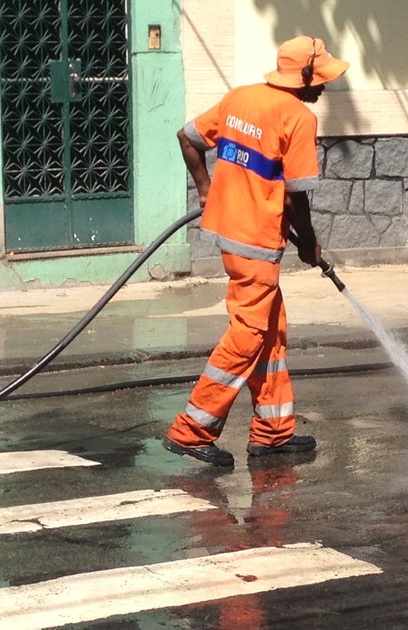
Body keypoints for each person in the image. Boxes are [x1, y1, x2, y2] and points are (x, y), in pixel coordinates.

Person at [162, 36, 350, 466]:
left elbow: (187, 138)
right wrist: (311, 243)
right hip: (256, 244)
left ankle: (272, 432)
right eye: (319, 77)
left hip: (231, 233)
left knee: (271, 331)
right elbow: (297, 198)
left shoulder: (240, 98)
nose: (323, 86)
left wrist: (206, 190)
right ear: (302, 76)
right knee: (247, 336)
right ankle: (191, 430)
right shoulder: (298, 118)